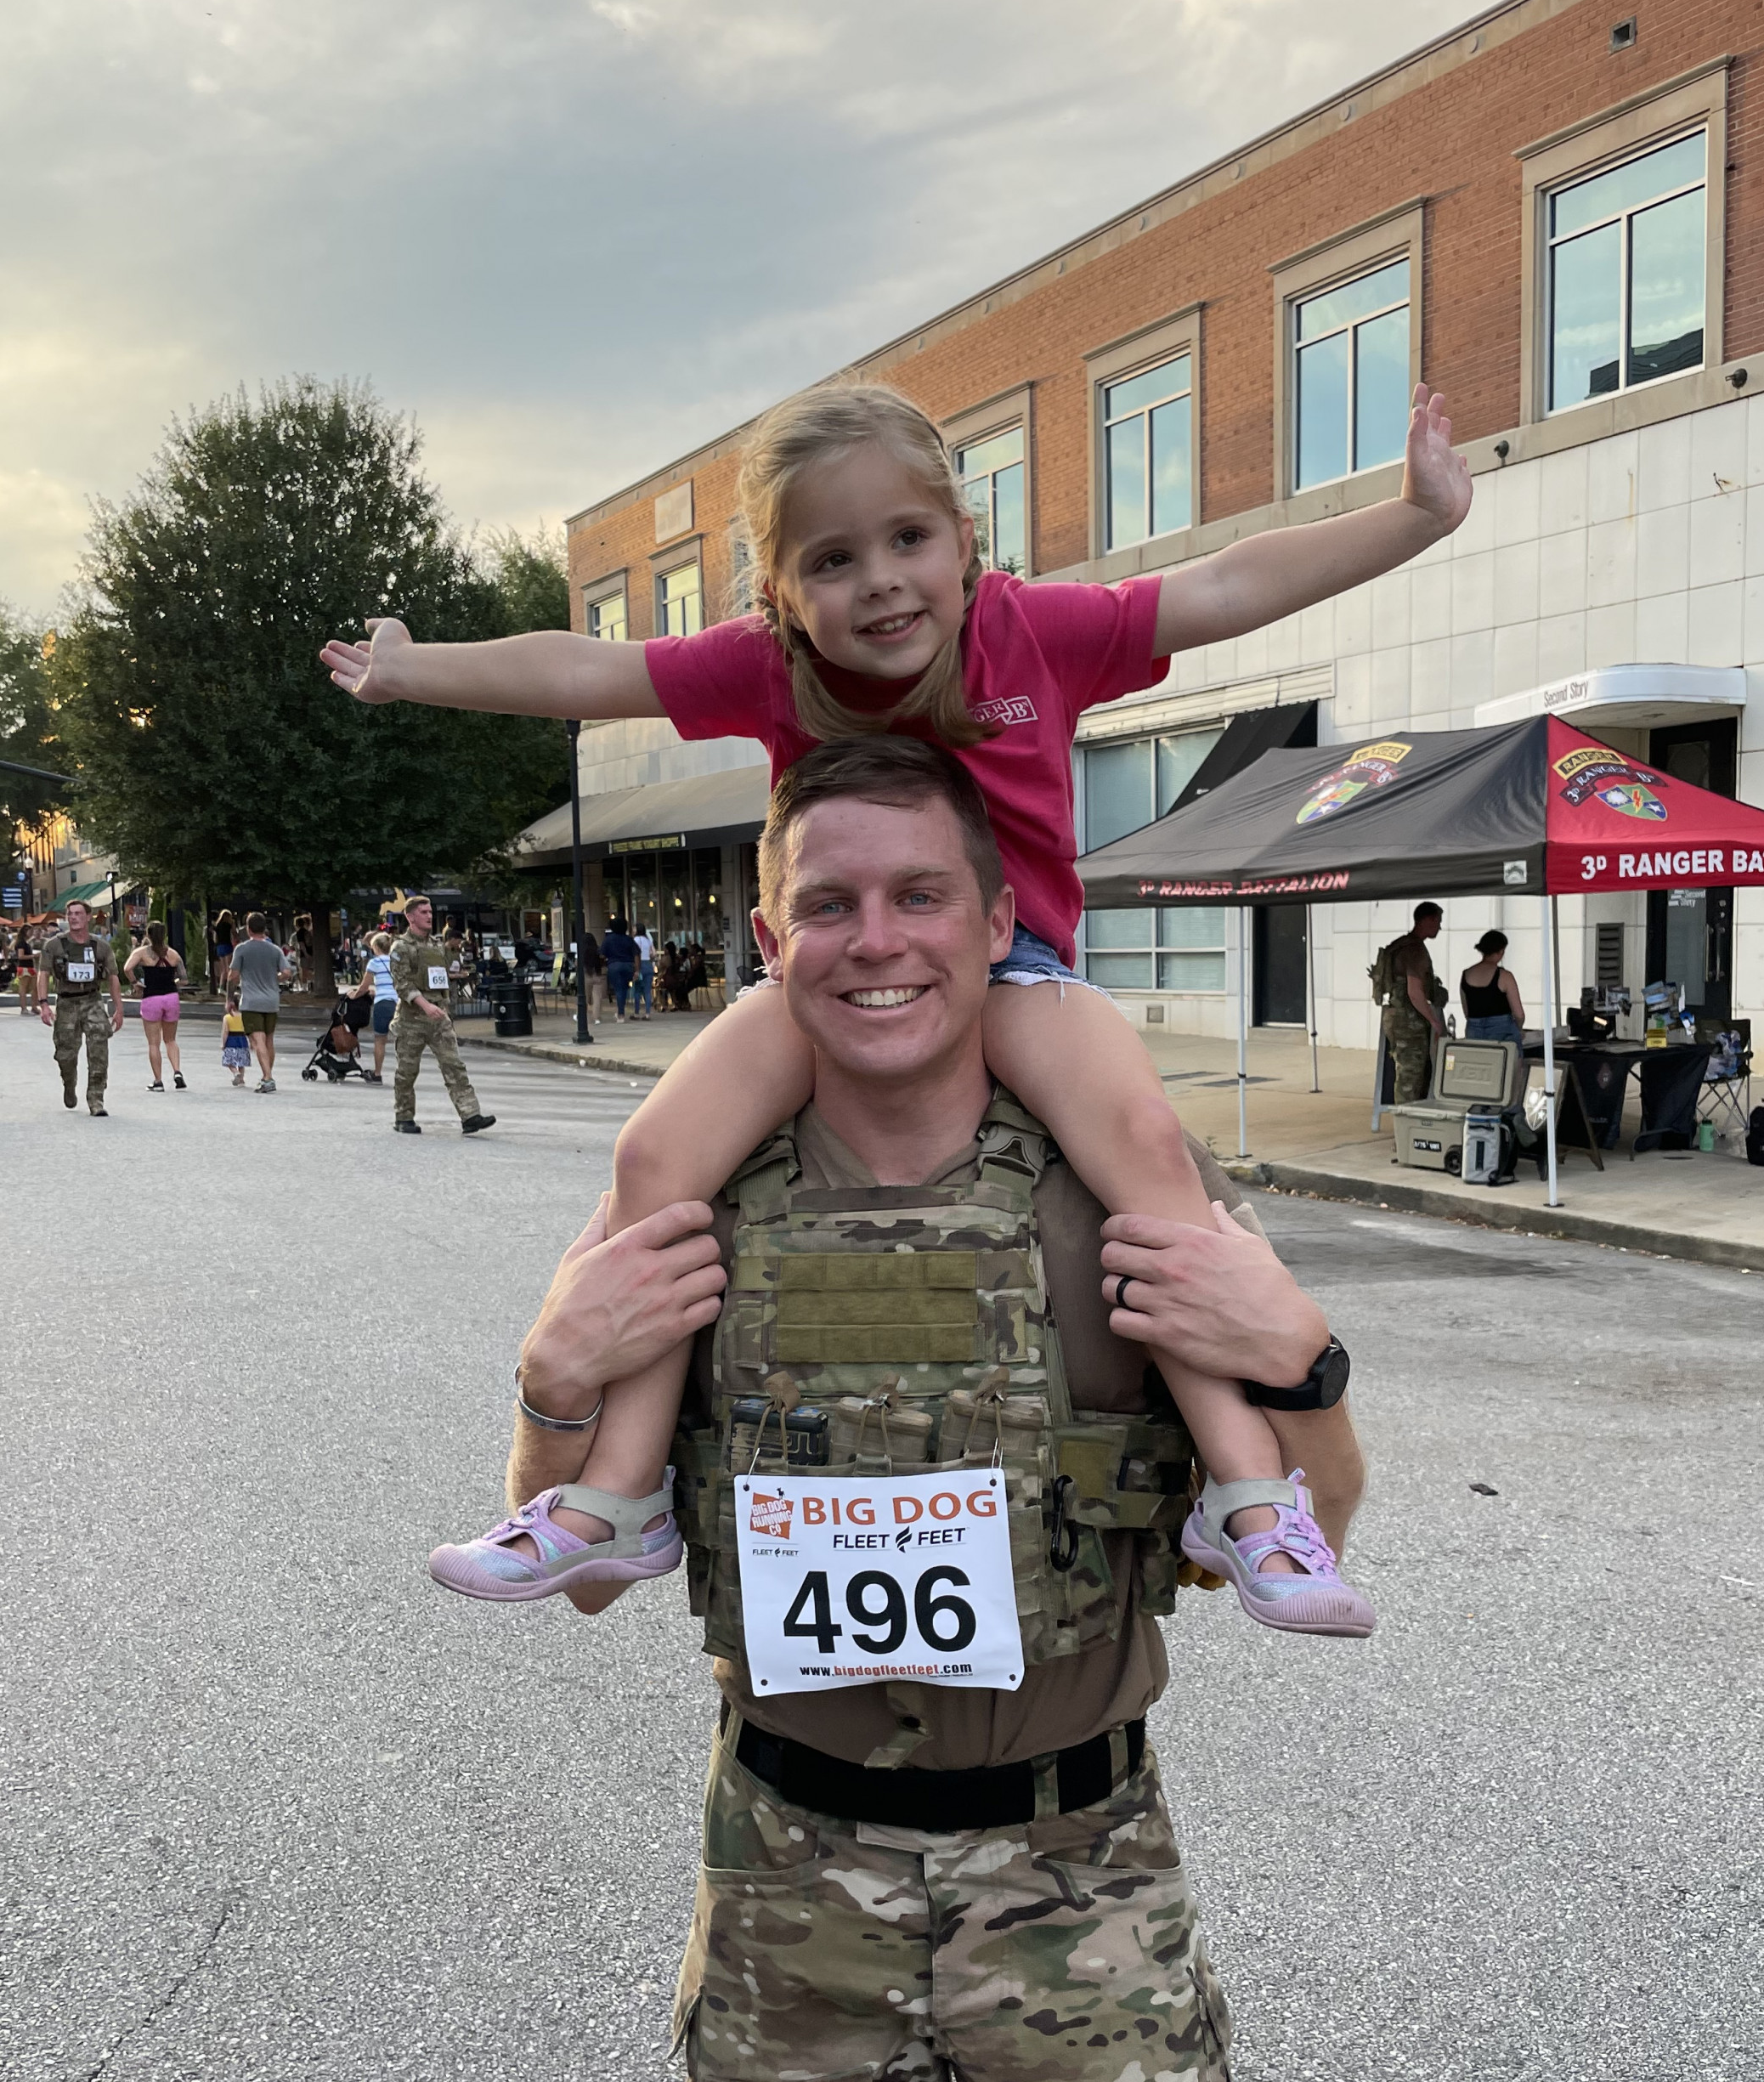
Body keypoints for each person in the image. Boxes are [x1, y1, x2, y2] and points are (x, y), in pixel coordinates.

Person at [442, 742, 1369, 2082]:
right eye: (832, 903)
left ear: (998, 918)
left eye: (921, 895)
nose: (879, 941)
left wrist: (1301, 1354)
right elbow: (570, 1573)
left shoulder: (1119, 1205)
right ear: (770, 935)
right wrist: (551, 1379)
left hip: (1078, 1879)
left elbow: (1318, 1515)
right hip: (791, 1885)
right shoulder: (701, 1208)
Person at [325, 376, 1464, 1611]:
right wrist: (411, 670)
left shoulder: (1033, 632)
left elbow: (1230, 585)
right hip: (822, 991)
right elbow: (589, 670)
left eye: (908, 539)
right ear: (778, 594)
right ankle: (619, 1492)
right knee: (656, 1157)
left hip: (1017, 967)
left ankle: (1249, 1491)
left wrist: (1413, 517)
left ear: (966, 546)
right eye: (833, 558)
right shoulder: (771, 669)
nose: (878, 581)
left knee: (1145, 1153)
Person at [387, 893, 494, 1137]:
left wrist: (444, 1008)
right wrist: (425, 1006)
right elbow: (402, 985)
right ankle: (404, 1116)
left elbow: (440, 978)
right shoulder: (401, 947)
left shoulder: (436, 945)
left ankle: (470, 1115)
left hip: (439, 1016)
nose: (429, 916)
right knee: (407, 1071)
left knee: (454, 1065)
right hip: (412, 1018)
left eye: (430, 912)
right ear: (410, 916)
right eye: (423, 913)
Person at [37, 898, 125, 1114]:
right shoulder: (54, 945)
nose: (74, 917)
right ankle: (69, 1082)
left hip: (92, 1000)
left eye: (78, 913)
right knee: (66, 1054)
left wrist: (118, 1008)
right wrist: (44, 1004)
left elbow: (113, 977)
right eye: (70, 914)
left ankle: (96, 1099)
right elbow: (43, 974)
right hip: (66, 1002)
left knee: (99, 1051)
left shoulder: (101, 947)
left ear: (87, 917)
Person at [1380, 901, 1448, 1105]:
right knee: (1411, 1078)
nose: (1439, 926)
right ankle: (1406, 1126)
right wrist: (1433, 1020)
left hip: (1396, 1017)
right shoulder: (1415, 950)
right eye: (1437, 921)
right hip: (1409, 1023)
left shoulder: (1400, 945)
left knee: (1407, 1073)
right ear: (1427, 920)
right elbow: (1415, 991)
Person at [124, 919, 189, 1089]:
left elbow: (127, 968)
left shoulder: (142, 952)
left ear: (148, 935)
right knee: (171, 1040)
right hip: (171, 997)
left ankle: (158, 1081)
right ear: (165, 935)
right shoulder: (174, 954)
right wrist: (172, 981)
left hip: (151, 997)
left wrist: (135, 982)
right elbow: (184, 979)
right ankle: (177, 1071)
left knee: (154, 1043)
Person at [228, 913, 287, 1094]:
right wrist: (274, 978)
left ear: (248, 928)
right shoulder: (275, 949)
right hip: (271, 1000)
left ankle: (268, 1078)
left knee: (257, 1039)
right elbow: (286, 972)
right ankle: (266, 1075)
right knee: (269, 1039)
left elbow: (233, 975)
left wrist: (230, 998)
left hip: (252, 1001)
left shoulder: (242, 949)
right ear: (264, 929)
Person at [1460, 929, 1525, 1043]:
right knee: (1510, 1059)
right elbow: (1519, 1014)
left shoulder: (1466, 974)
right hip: (1503, 1031)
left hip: (1474, 1030)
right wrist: (1518, 1028)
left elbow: (1467, 1012)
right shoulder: (1505, 976)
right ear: (1501, 951)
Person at [364, 930, 399, 1083]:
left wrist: (354, 994)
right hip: (398, 1003)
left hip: (382, 1003)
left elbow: (364, 986)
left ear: (376, 947)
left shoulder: (374, 962)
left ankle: (377, 1074)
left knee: (380, 1039)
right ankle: (403, 1075)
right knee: (402, 1040)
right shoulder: (397, 960)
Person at [600, 919, 636, 1019]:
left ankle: (621, 1013)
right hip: (628, 965)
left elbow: (602, 955)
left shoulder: (608, 939)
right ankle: (621, 1009)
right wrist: (637, 969)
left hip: (614, 965)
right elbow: (637, 953)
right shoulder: (629, 939)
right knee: (624, 988)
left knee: (618, 989)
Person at [220, 983, 252, 1087]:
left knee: (229, 1060)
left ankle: (235, 1073)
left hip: (231, 1040)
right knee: (241, 1061)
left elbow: (225, 1032)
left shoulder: (227, 1018)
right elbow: (248, 1030)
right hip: (242, 1040)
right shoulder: (244, 1017)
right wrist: (251, 1041)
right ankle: (241, 1079)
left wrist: (223, 1043)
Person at [630, 923, 655, 1017]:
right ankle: (647, 1013)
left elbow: (633, 954)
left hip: (639, 965)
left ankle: (637, 1012)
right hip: (648, 964)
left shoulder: (635, 940)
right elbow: (654, 953)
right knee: (647, 991)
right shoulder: (648, 940)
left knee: (637, 990)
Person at [13, 921, 38, 1016]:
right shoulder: (21, 943)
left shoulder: (26, 942)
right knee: (23, 988)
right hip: (24, 967)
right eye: (31, 931)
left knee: (34, 987)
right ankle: (24, 1008)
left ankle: (34, 1006)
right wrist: (33, 956)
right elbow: (21, 956)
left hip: (29, 966)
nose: (32, 934)